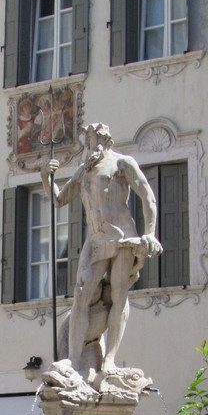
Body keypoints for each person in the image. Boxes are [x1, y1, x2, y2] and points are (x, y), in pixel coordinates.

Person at [43, 122, 162, 373]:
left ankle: (109, 359)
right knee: (82, 294)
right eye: (87, 140)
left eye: (92, 138)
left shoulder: (121, 163)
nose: (89, 144)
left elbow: (148, 196)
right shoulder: (83, 171)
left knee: (119, 294)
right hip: (96, 240)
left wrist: (149, 233)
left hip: (122, 238)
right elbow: (58, 200)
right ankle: (73, 361)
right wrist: (46, 177)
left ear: (105, 138)